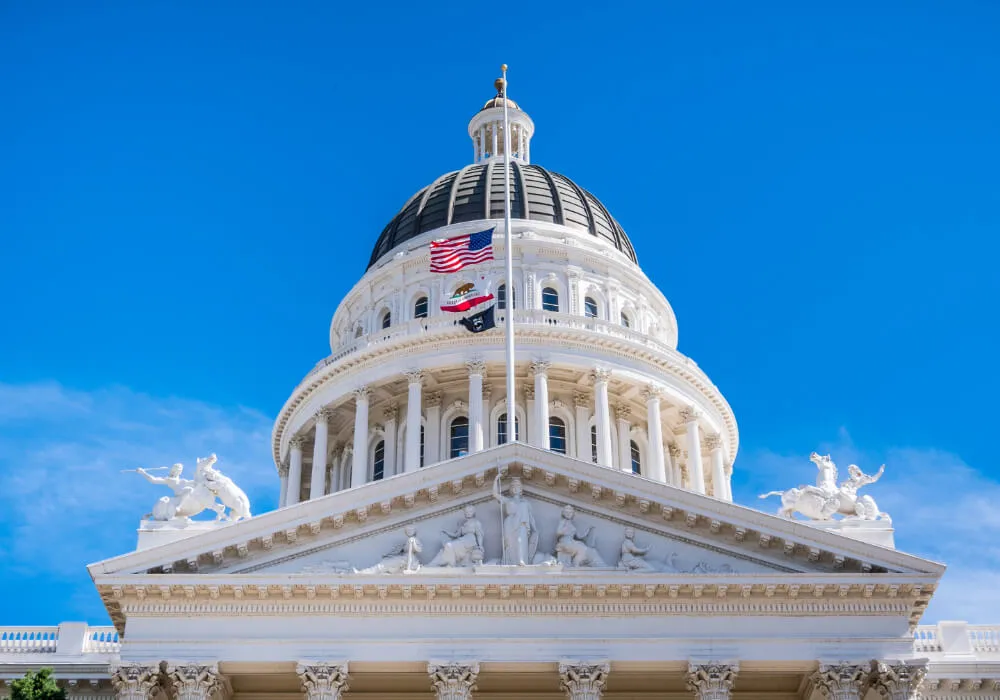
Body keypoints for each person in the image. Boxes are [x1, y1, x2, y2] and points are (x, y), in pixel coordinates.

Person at [493, 476, 537, 565]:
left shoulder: (525, 503)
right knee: (509, 545)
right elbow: (495, 494)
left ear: (521, 489)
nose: (515, 489)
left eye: (518, 487)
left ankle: (521, 560)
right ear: (511, 489)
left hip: (522, 525)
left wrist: (535, 529)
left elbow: (530, 517)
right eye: (513, 487)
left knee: (520, 541)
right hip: (509, 524)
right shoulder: (508, 500)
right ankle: (509, 562)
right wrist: (496, 480)